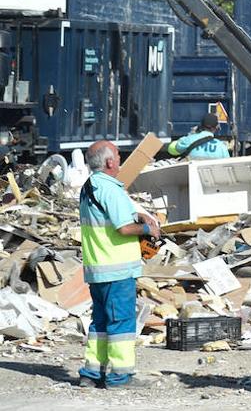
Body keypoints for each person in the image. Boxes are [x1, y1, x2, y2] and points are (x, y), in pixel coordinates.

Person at [78, 140, 161, 389]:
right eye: (117, 155)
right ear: (110, 162)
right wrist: (148, 229)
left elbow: (110, 217)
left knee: (100, 323)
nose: (120, 160)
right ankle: (120, 377)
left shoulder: (90, 187)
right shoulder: (111, 189)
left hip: (97, 267)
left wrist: (138, 214)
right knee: (122, 323)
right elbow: (124, 228)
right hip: (117, 268)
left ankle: (91, 374)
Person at [166, 112, 230, 160]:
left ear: (201, 125)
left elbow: (171, 149)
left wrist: (189, 135)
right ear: (216, 127)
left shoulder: (189, 140)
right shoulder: (222, 146)